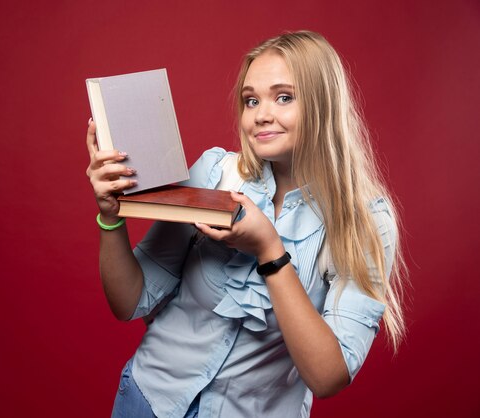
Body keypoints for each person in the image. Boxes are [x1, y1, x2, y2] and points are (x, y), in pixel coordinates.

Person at [85, 30, 406, 418]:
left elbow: (327, 377)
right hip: (147, 401)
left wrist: (270, 251)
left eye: (284, 97)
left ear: (323, 105)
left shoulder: (366, 220)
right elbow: (130, 302)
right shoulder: (214, 174)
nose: (260, 115)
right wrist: (110, 215)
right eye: (251, 100)